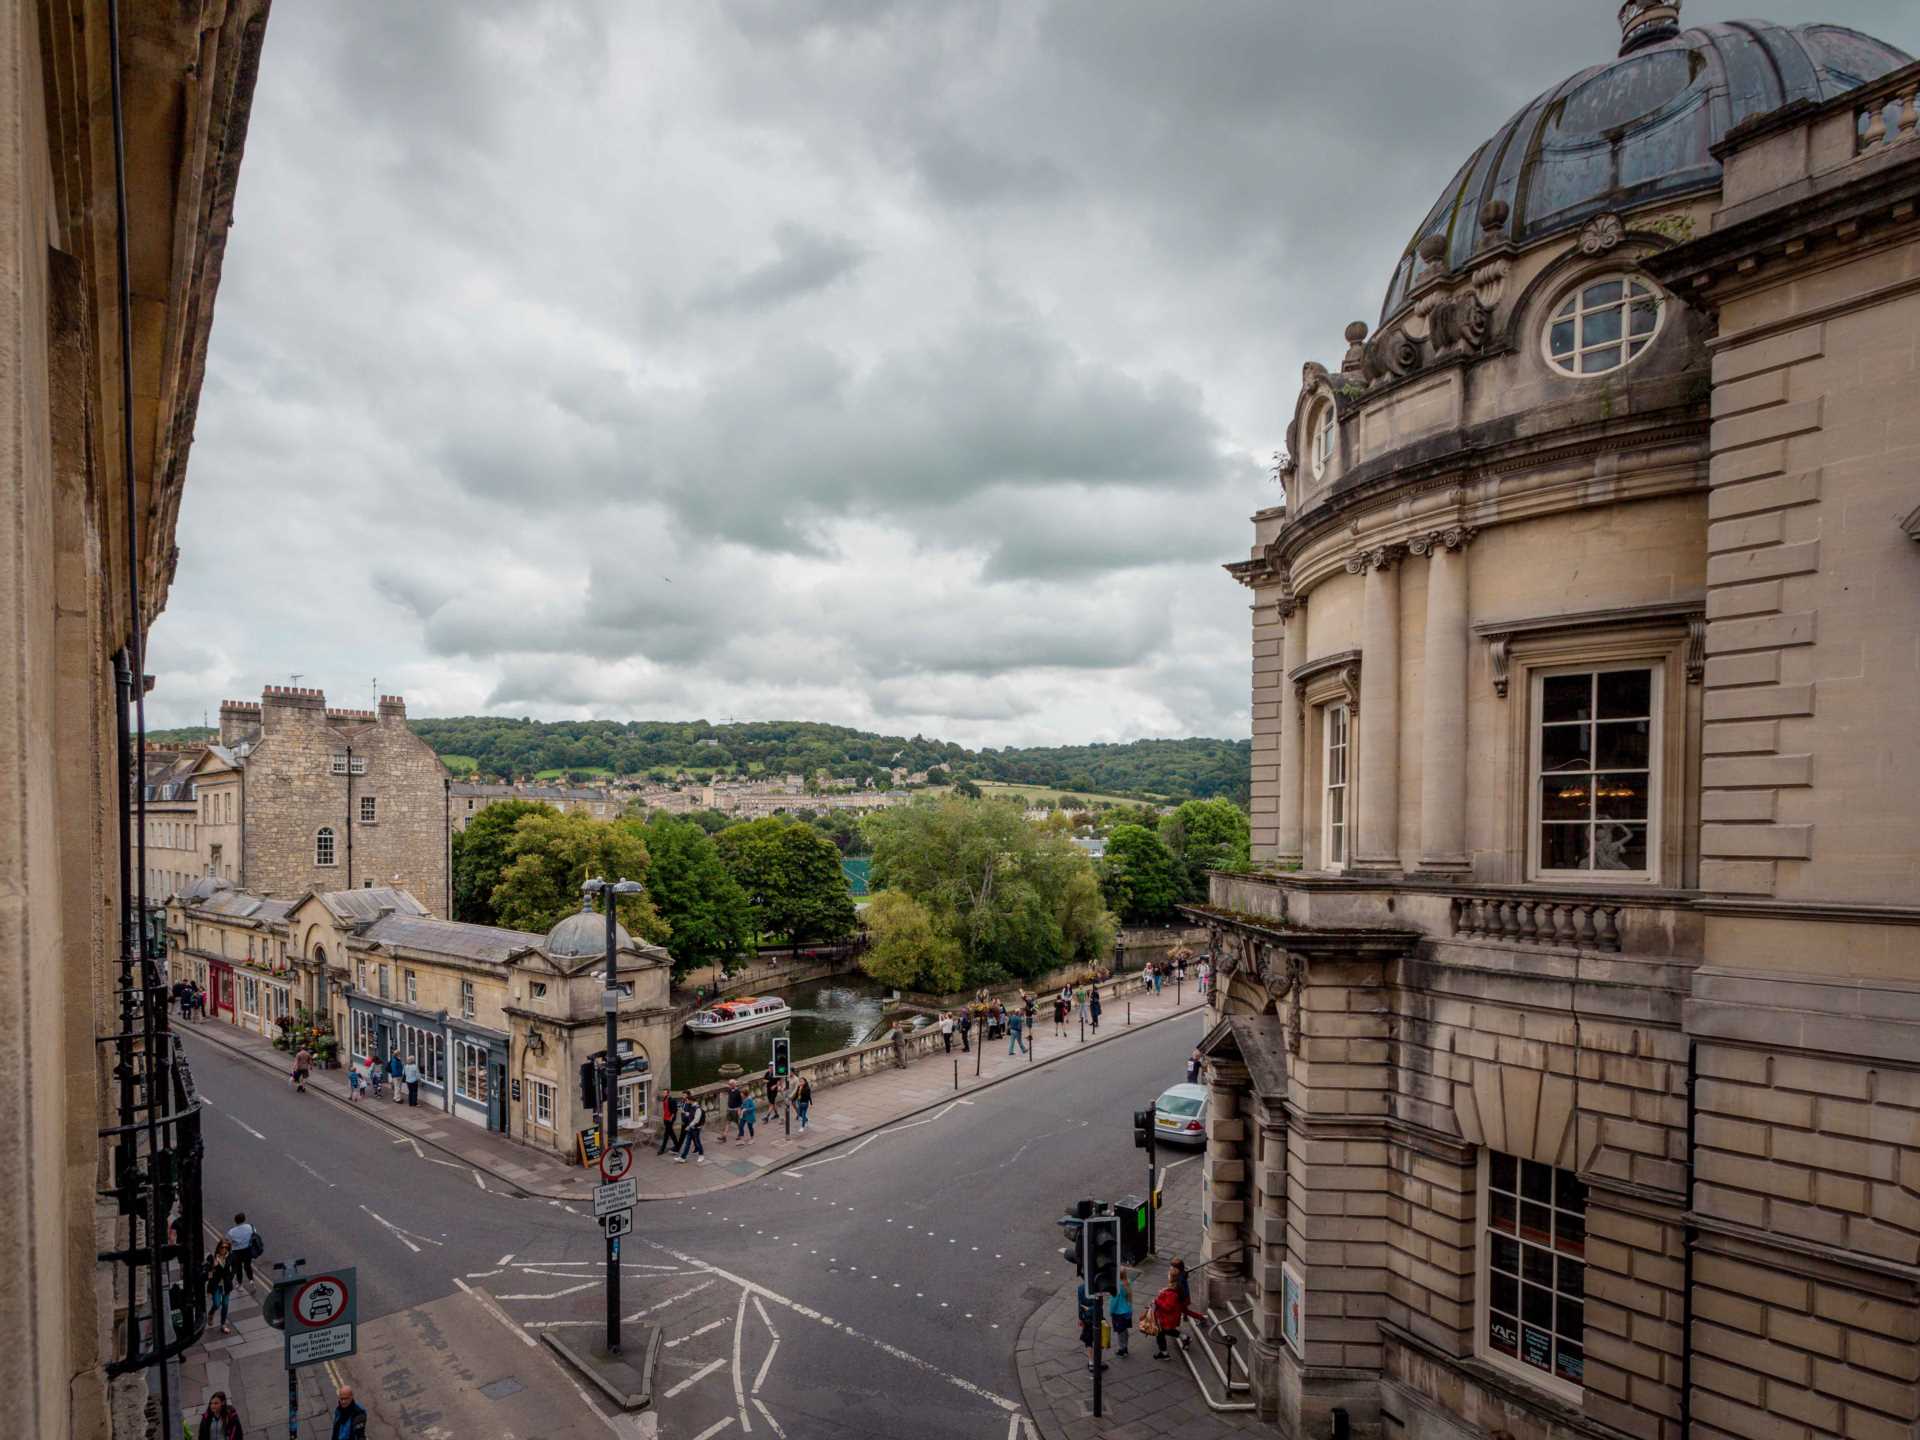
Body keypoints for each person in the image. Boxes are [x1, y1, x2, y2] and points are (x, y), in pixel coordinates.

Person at [1151, 1268, 1206, 1359]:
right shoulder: (1177, 1288)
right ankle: (1184, 1338)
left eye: (1169, 1275)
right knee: (1165, 1331)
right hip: (1171, 1316)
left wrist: (1157, 1301)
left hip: (1167, 1317)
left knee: (1160, 1333)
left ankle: (1164, 1353)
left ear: (1172, 1277)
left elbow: (1168, 1307)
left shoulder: (1172, 1293)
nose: (1168, 1276)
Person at [204, 1238, 238, 1334]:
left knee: (225, 1304)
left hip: (226, 1285)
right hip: (216, 1285)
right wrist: (213, 1266)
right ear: (218, 1247)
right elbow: (208, 1273)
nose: (224, 1249)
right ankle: (211, 1313)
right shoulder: (212, 1257)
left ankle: (223, 1324)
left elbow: (235, 1266)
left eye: (226, 1247)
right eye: (222, 1247)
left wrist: (231, 1276)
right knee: (216, 1304)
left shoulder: (231, 1256)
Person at [675, 1091, 706, 1163]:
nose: (686, 1101)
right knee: (687, 1143)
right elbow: (690, 1115)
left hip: (696, 1129)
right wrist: (685, 1113)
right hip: (691, 1128)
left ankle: (701, 1155)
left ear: (691, 1101)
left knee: (698, 1143)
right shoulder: (692, 1107)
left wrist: (688, 1126)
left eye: (687, 1100)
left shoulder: (698, 1108)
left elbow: (696, 1120)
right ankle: (683, 1158)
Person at [1111, 1265, 1134, 1357]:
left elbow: (1114, 1301)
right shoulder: (1128, 1282)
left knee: (1120, 1332)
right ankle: (1126, 1347)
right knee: (1125, 1330)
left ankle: (1122, 1350)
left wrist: (1111, 1310)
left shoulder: (1118, 1286)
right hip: (1127, 1310)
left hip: (1118, 1312)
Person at [226, 1213, 257, 1283]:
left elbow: (228, 1242)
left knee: (238, 1267)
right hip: (248, 1250)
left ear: (235, 1221)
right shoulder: (250, 1227)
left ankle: (239, 1283)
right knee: (248, 1266)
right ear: (244, 1219)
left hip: (237, 1252)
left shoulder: (231, 1231)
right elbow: (254, 1234)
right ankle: (251, 1280)